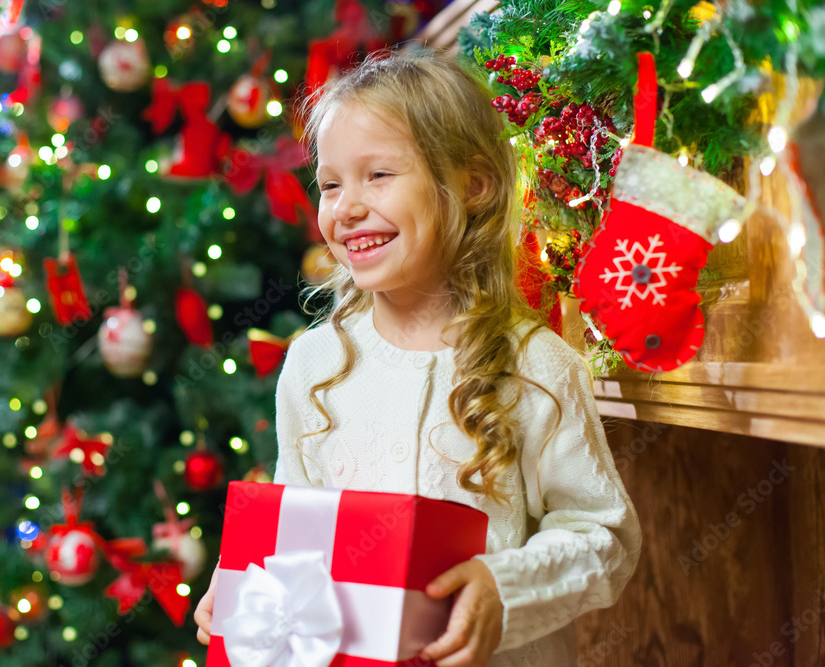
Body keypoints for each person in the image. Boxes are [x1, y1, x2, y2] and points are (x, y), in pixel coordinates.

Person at [195, 48, 641, 667]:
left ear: (472, 184)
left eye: (378, 175)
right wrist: (245, 582)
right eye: (329, 184)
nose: (346, 207)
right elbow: (296, 531)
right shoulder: (315, 364)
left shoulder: (539, 364)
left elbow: (604, 538)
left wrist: (502, 588)